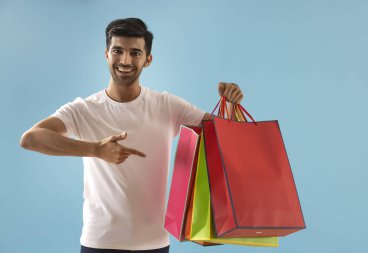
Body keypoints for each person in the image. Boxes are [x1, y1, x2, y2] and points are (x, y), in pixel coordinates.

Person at [20, 18, 244, 253]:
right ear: (106, 54)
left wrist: (229, 106)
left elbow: (227, 138)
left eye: (135, 53)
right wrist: (95, 149)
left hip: (154, 244)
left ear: (148, 60)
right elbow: (31, 138)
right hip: (100, 243)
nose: (125, 60)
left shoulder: (166, 105)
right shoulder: (84, 109)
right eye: (118, 51)